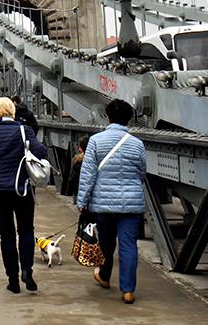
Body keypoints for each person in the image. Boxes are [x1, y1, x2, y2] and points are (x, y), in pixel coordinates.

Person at [76, 99, 146, 305]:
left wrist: (82, 201)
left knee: (106, 244)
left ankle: (105, 276)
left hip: (103, 204)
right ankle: (128, 290)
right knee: (128, 245)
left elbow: (87, 174)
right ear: (128, 120)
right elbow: (141, 173)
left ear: (108, 117)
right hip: (132, 204)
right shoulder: (137, 144)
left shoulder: (96, 141)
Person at [0, 96, 47, 294]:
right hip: (22, 189)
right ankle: (27, 270)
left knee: (6, 235)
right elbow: (42, 152)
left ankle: (13, 280)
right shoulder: (25, 130)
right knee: (25, 231)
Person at [69, 136, 89, 204]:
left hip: (78, 190)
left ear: (81, 148)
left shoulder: (77, 161)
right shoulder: (92, 161)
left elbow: (72, 178)